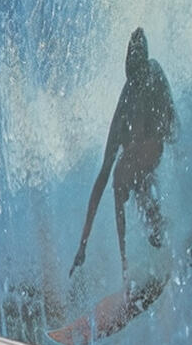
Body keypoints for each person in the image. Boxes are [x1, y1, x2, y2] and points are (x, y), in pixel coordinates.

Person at [72, 27, 176, 281]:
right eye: (133, 80)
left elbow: (172, 125)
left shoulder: (154, 73)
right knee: (122, 180)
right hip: (143, 149)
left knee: (135, 178)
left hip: (158, 136)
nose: (137, 85)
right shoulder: (123, 114)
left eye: (139, 79)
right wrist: (83, 244)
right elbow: (101, 181)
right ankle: (128, 265)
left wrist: (163, 139)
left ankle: (156, 231)